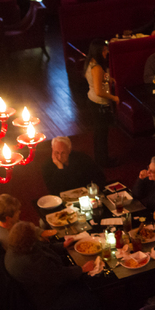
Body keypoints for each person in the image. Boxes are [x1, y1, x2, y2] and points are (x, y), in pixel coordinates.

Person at [4, 221, 103, 310]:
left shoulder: (16, 248)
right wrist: (82, 269)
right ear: (29, 240)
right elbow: (59, 276)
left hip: (41, 286)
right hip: (47, 299)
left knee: (78, 276)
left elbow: (43, 248)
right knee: (86, 296)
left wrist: (63, 245)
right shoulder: (31, 263)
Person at [84, 39, 120, 167]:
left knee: (98, 133)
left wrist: (109, 78)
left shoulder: (91, 62)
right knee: (102, 134)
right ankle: (103, 161)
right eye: (104, 50)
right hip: (98, 103)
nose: (106, 52)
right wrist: (113, 97)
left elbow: (96, 80)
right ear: (98, 51)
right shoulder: (97, 67)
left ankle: (100, 159)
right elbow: (99, 91)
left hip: (92, 100)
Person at [42, 136, 106, 196]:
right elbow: (54, 190)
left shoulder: (82, 158)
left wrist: (96, 187)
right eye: (57, 152)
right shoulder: (47, 166)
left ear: (69, 150)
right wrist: (60, 169)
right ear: (52, 150)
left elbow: (99, 176)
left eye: (63, 153)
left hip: (85, 195)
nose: (59, 157)